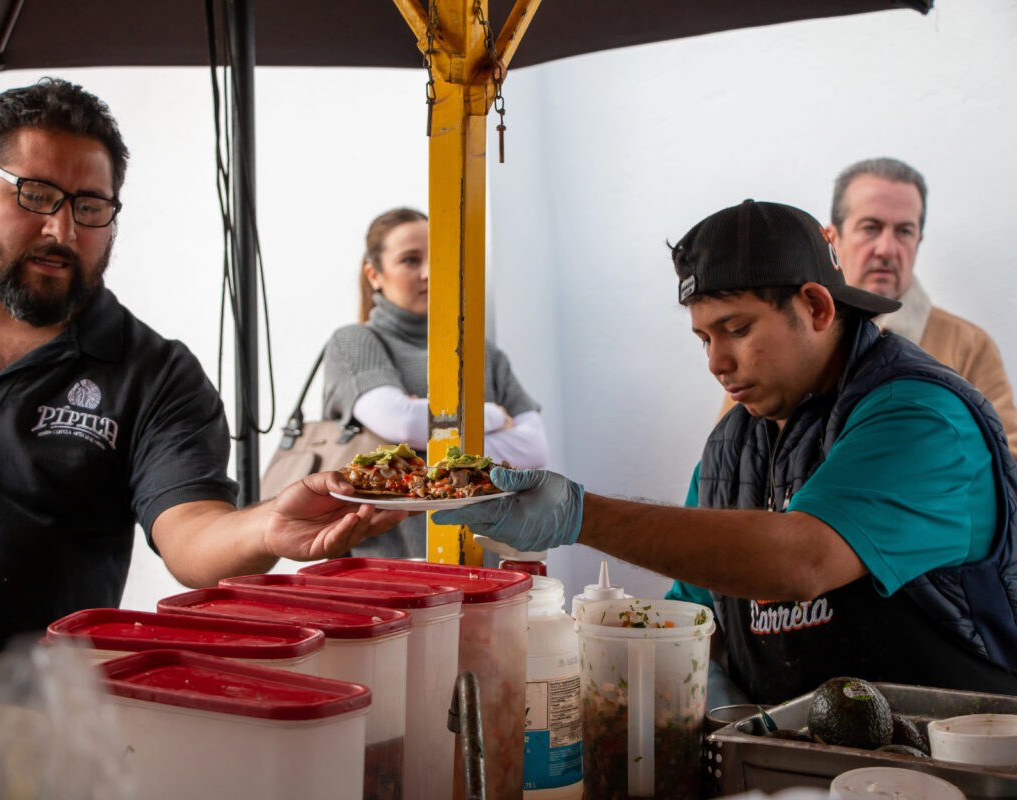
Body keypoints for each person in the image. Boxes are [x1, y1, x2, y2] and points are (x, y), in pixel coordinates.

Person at [0, 79, 404, 654]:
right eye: (36, 195)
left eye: (90, 206)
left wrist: (267, 526)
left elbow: (190, 531)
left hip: (38, 733)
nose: (62, 230)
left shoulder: (155, 374)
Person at [435, 199, 1017, 704]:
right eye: (704, 338)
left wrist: (582, 515)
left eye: (736, 329)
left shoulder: (920, 417)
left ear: (817, 307)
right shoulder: (734, 441)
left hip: (947, 760)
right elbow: (696, 611)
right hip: (782, 763)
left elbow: (802, 560)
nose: (716, 362)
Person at [718, 158, 1017, 461]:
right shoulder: (781, 333)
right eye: (870, 228)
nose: (887, 248)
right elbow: (728, 458)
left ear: (918, 241)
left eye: (904, 231)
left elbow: (1007, 461)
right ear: (832, 239)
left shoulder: (968, 345)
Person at [321, 207, 549, 558]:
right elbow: (400, 421)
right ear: (374, 274)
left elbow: (534, 452)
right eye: (410, 260)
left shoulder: (482, 353)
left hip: (486, 566)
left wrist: (423, 441)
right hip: (391, 572)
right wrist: (493, 419)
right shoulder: (356, 342)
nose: (429, 272)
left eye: (438, 257)